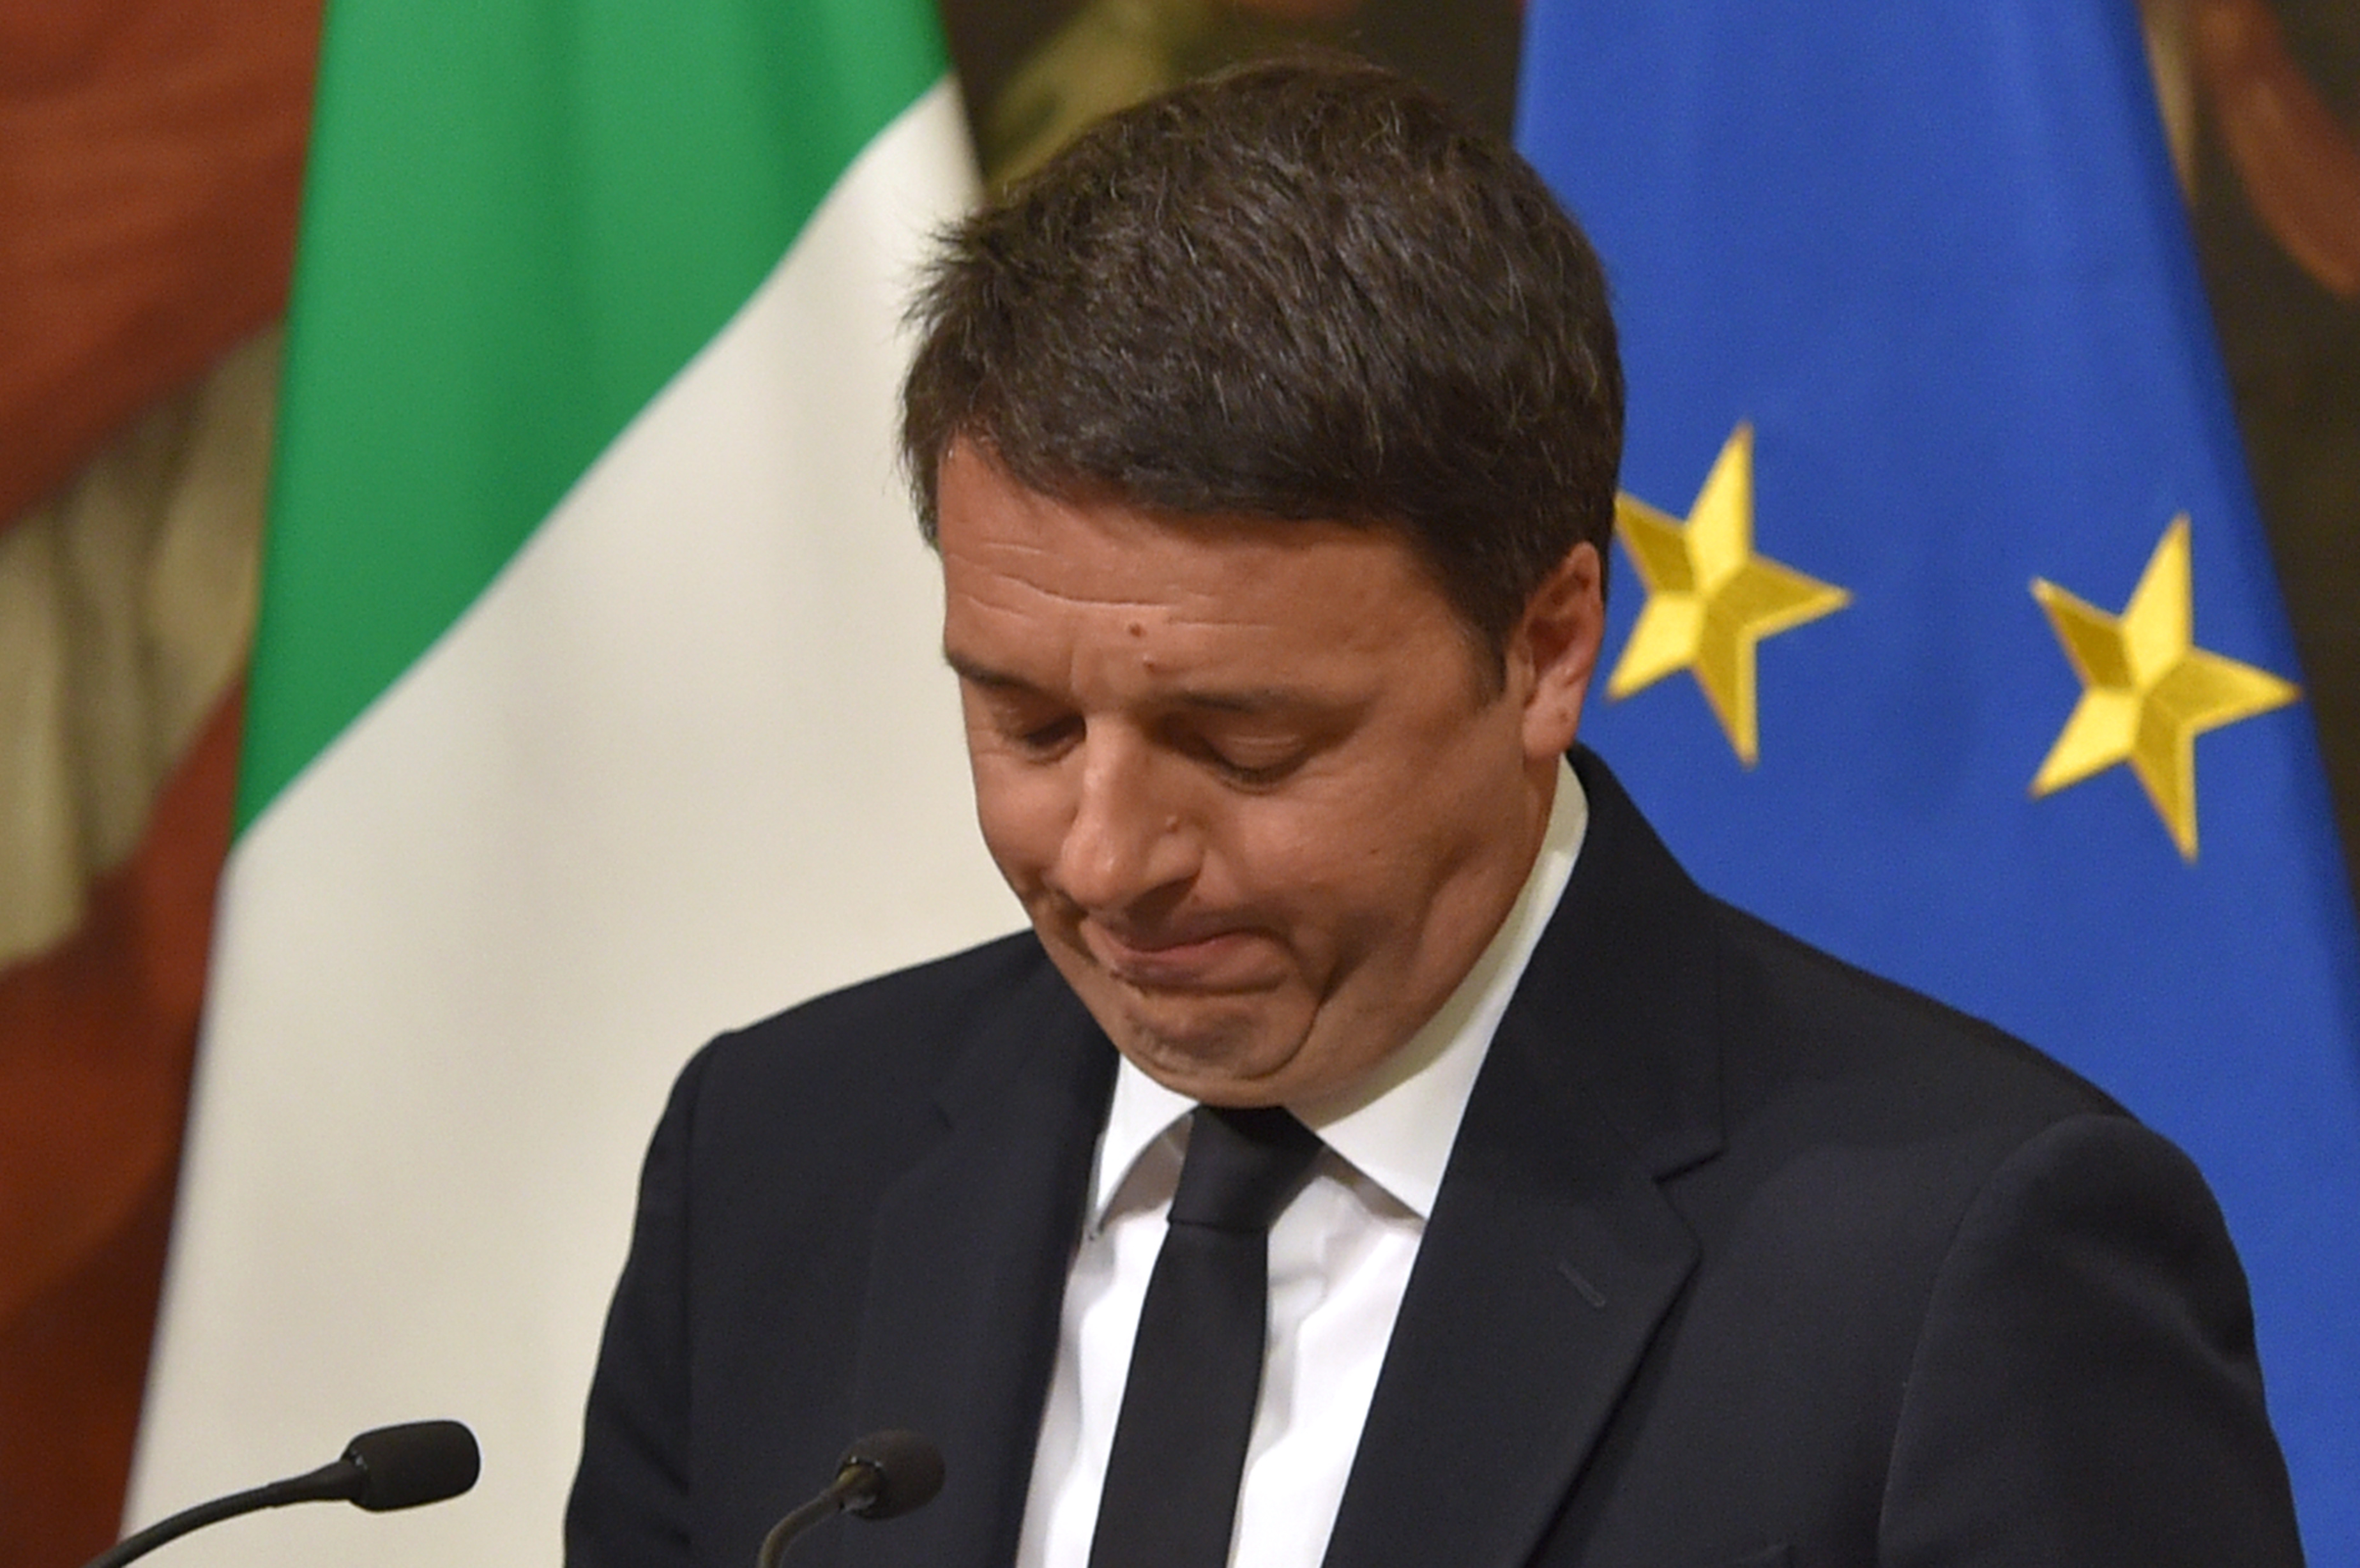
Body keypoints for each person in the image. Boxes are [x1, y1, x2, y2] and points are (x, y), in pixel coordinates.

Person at [565, 58, 2303, 1568]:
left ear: (1547, 645)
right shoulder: (777, 1161)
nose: (1103, 860)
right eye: (1024, 721)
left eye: (1241, 744)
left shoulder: (1958, 1267)